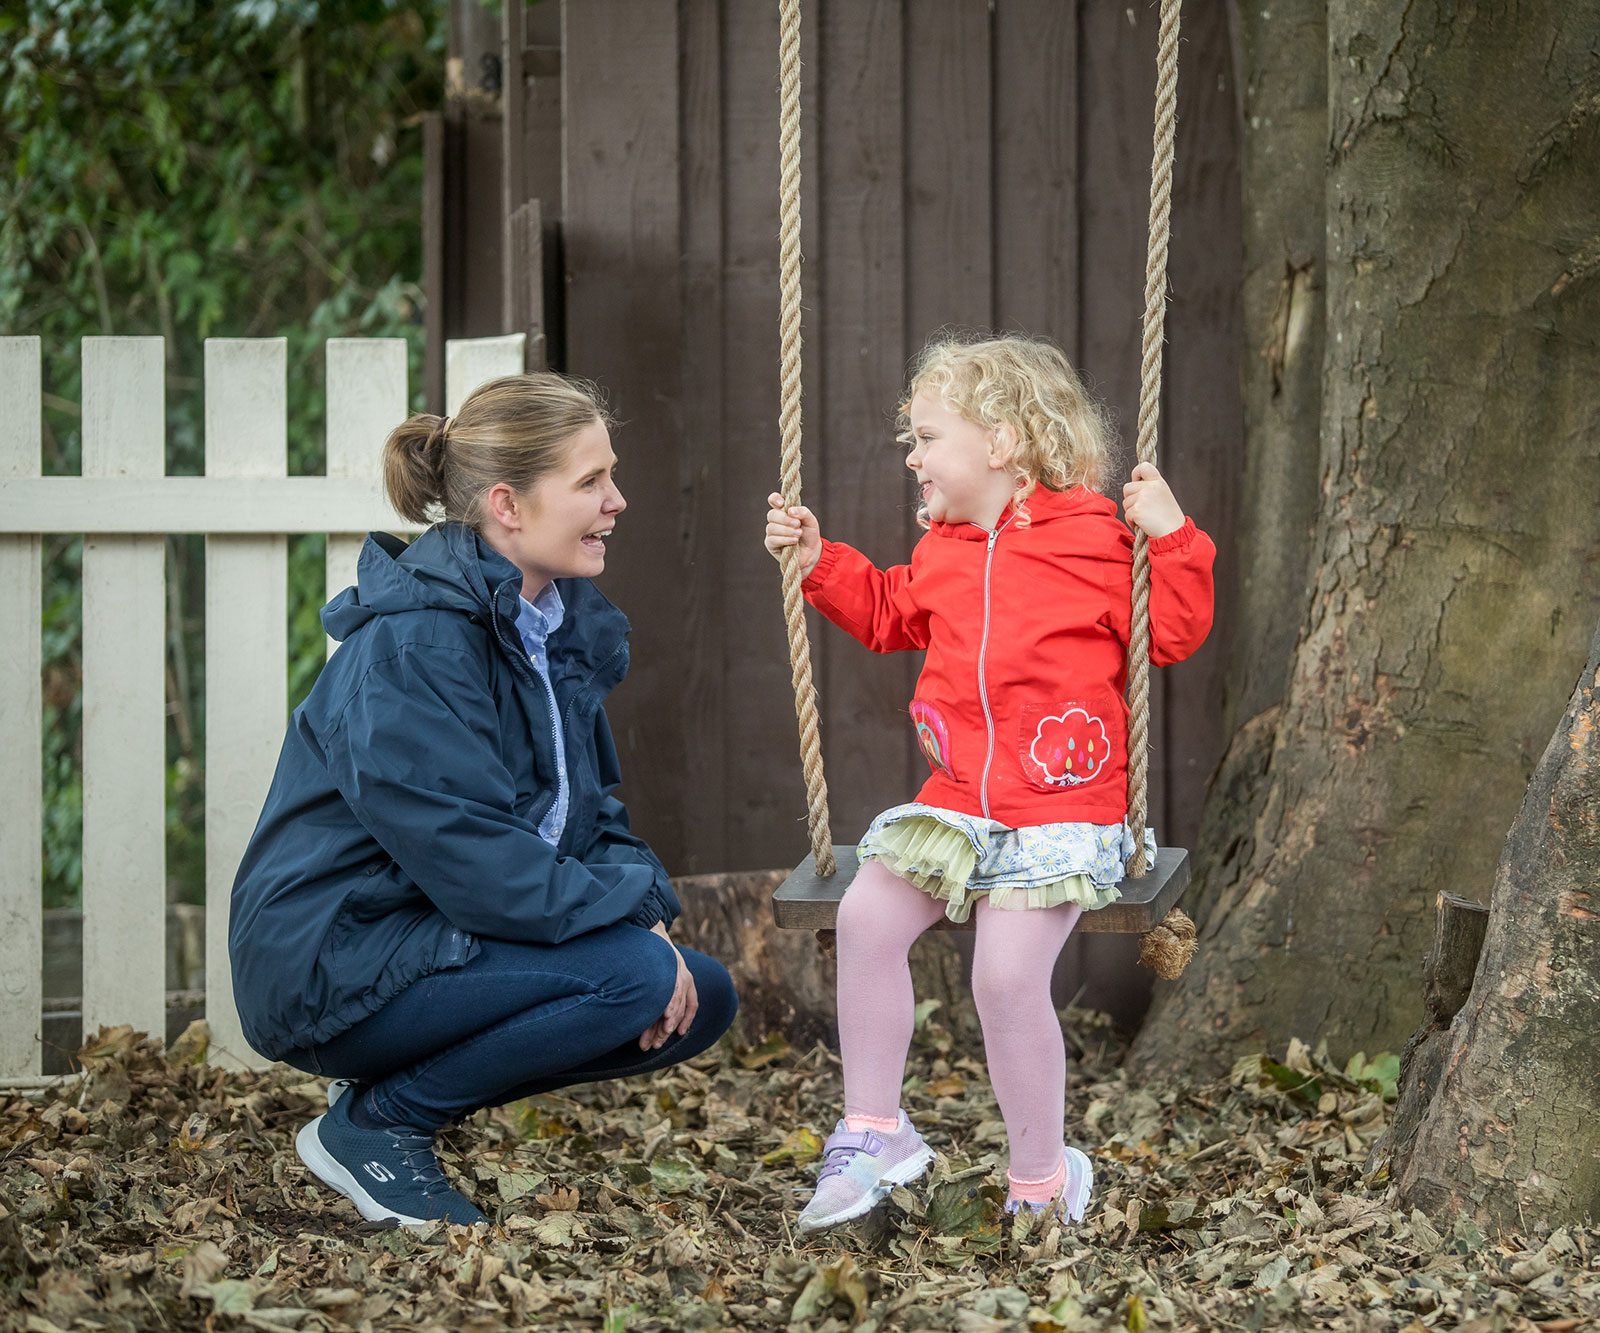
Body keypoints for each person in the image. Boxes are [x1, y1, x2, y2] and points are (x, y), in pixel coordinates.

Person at [230, 372, 737, 1229]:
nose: (618, 500)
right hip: (330, 958)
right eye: (590, 482)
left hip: (429, 936)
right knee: (636, 977)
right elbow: (478, 862)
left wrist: (644, 906)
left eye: (609, 475)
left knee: (701, 994)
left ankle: (388, 1103)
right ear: (507, 503)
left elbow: (590, 816)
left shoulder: (547, 626)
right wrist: (627, 927)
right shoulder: (417, 645)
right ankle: (380, 1126)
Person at [762, 333, 1214, 1232]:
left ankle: (1044, 1176)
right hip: (958, 802)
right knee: (864, 917)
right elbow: (892, 613)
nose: (912, 457)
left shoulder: (1101, 536)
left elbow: (1172, 632)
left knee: (1005, 981)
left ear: (1002, 440)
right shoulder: (946, 547)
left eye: (927, 437)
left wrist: (1175, 536)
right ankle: (874, 1130)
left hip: (1061, 809)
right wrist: (822, 561)